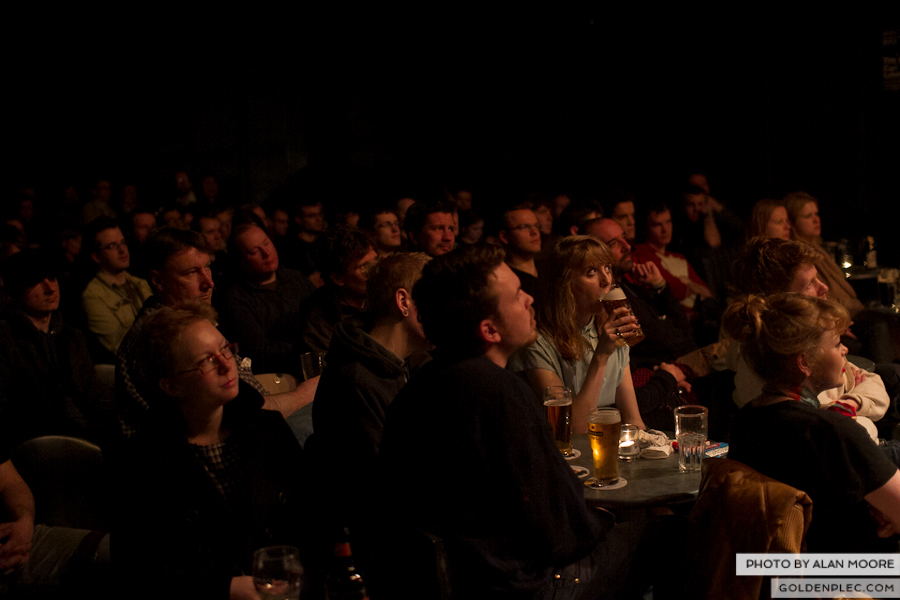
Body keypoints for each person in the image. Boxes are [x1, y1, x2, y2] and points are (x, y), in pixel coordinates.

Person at [377, 244, 662, 598]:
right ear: (489, 330)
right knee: (677, 537)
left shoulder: (417, 387)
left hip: (447, 581)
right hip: (521, 584)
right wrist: (603, 518)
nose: (529, 299)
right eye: (516, 296)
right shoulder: (502, 395)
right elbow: (562, 535)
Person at [111, 304, 311, 599]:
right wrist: (225, 586)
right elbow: (136, 567)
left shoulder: (264, 427)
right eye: (206, 360)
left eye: (225, 349)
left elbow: (310, 512)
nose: (225, 364)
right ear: (171, 385)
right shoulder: (145, 458)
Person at [725, 293, 900, 552]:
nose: (845, 350)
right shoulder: (829, 431)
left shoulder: (745, 420)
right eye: (837, 343)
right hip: (844, 580)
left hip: (776, 576)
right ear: (805, 362)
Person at [115, 228, 317, 439]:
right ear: (157, 280)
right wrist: (304, 393)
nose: (208, 283)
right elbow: (249, 413)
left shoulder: (187, 317)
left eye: (207, 267)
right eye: (191, 273)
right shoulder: (169, 336)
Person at [729, 237, 899, 440]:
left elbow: (870, 381)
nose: (824, 288)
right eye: (809, 284)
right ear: (779, 301)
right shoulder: (769, 356)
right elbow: (811, 426)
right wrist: (857, 413)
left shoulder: (812, 335)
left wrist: (851, 402)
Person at [310, 252, 432, 532]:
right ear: (404, 302)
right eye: (438, 298)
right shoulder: (354, 381)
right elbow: (387, 484)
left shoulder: (414, 363)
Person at [508, 236, 647, 433]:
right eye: (591, 272)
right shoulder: (538, 343)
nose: (606, 280)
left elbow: (633, 420)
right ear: (566, 284)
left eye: (607, 268)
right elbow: (571, 430)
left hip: (607, 442)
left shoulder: (608, 331)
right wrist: (601, 356)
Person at [0, 250, 114, 446]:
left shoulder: (72, 336)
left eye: (52, 278)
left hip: (88, 434)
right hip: (37, 443)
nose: (50, 288)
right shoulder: (5, 338)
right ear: (12, 292)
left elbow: (92, 394)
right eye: (35, 281)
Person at [216, 222, 315, 374]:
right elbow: (261, 355)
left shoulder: (296, 278)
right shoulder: (237, 298)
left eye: (266, 243)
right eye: (255, 251)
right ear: (241, 259)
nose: (266, 253)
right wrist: (307, 338)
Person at [297, 228, 378, 355]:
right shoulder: (318, 319)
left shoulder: (380, 299)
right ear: (338, 278)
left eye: (376, 261)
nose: (376, 271)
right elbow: (325, 371)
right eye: (365, 267)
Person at [81, 217, 152, 360]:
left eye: (123, 243)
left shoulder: (141, 283)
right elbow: (117, 346)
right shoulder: (93, 295)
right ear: (96, 257)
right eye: (112, 246)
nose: (122, 250)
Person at [785, 191, 864, 317]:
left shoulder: (816, 246)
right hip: (835, 315)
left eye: (816, 214)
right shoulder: (797, 255)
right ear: (793, 222)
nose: (816, 220)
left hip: (848, 311)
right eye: (808, 216)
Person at [497, 203, 542, 299]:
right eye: (524, 227)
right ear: (504, 237)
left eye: (536, 226)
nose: (534, 232)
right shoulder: (503, 280)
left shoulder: (550, 270)